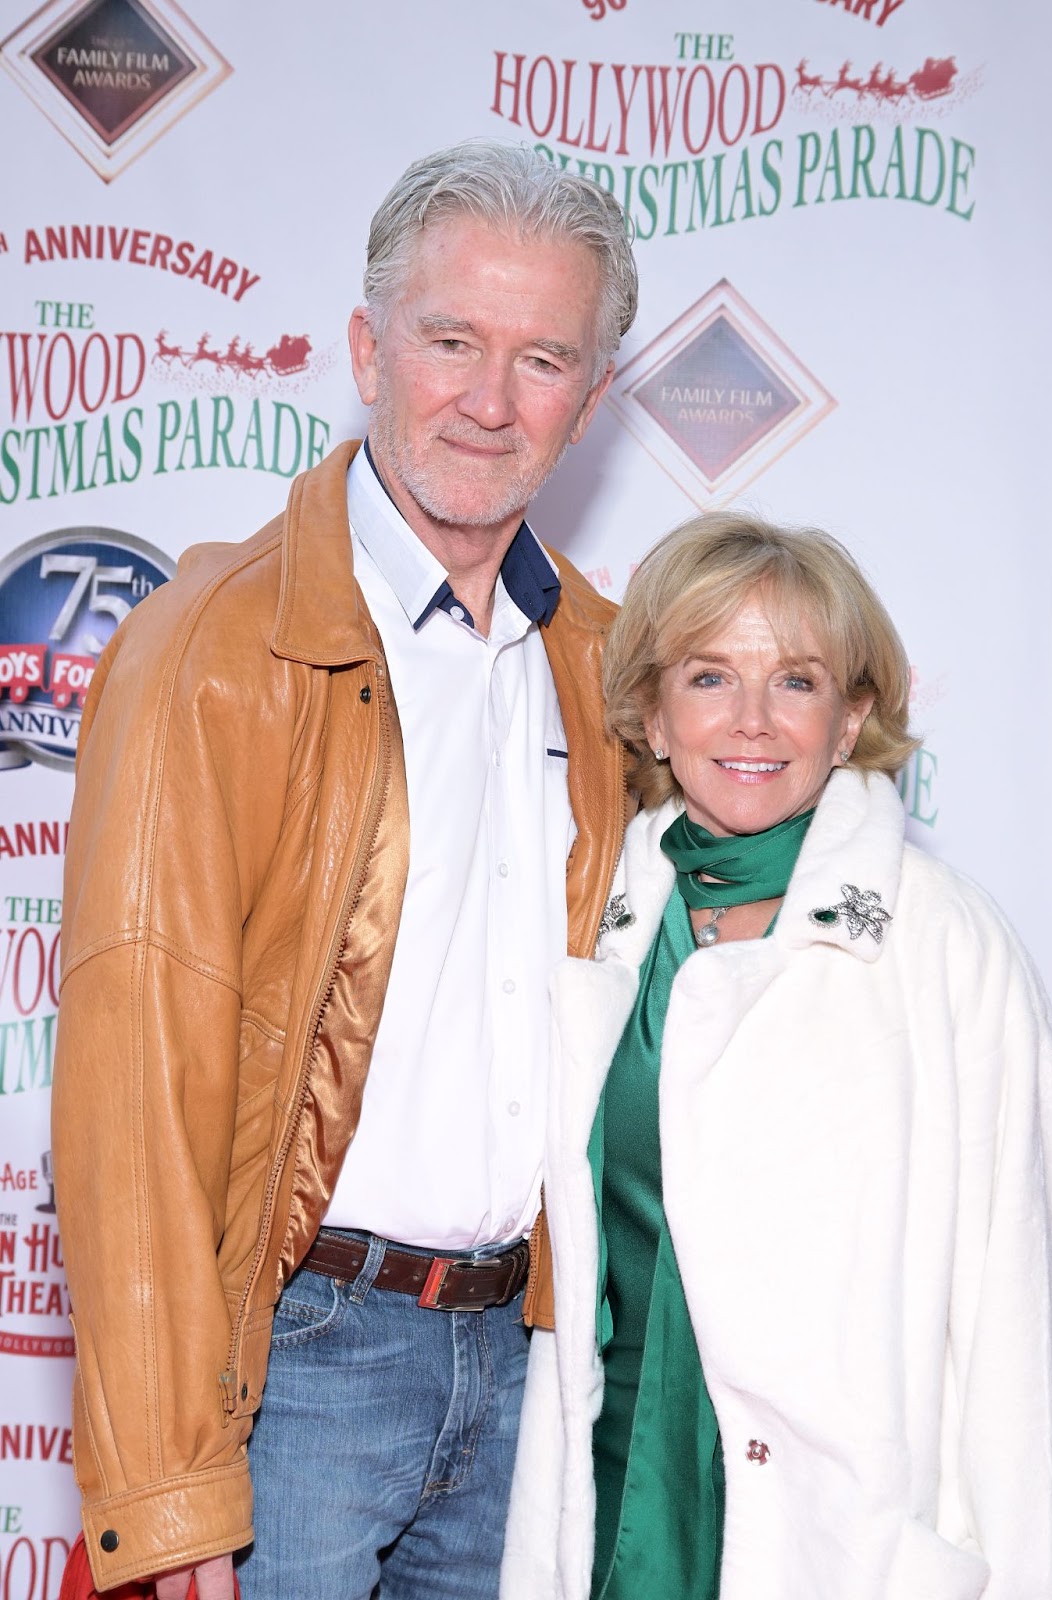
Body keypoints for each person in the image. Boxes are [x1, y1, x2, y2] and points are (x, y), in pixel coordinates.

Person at [51, 140, 638, 1600]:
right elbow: (133, 1087)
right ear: (369, 347)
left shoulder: (611, 668)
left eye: (542, 357)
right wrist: (169, 1481)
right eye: (450, 341)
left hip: (525, 1367)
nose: (489, 401)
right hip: (298, 1365)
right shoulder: (210, 644)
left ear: (593, 398)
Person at [501, 513, 1052, 1600]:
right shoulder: (592, 915)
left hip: (844, 1537)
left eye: (798, 681)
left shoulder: (940, 942)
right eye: (710, 675)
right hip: (611, 1496)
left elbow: (1021, 1327)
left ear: (851, 713)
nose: (753, 721)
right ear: (650, 711)